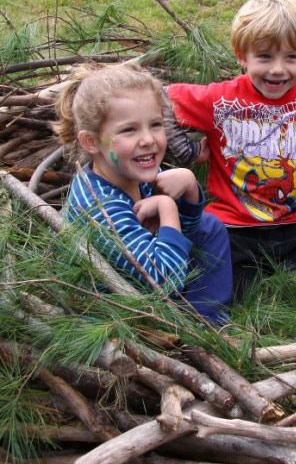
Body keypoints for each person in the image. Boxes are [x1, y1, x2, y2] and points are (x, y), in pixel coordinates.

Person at [164, 0, 296, 293]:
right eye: (265, 56)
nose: (278, 69)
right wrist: (186, 151)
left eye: (291, 57)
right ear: (241, 56)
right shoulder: (219, 100)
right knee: (215, 283)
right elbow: (162, 98)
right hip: (236, 227)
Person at [54, 62, 232, 325]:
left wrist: (190, 188)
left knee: (209, 226)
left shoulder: (132, 171)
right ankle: (193, 332)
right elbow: (162, 279)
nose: (148, 139)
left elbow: (189, 232)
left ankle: (208, 322)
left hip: (147, 288)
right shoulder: (99, 205)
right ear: (91, 141)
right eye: (129, 130)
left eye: (155, 125)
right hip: (115, 313)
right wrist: (167, 208)